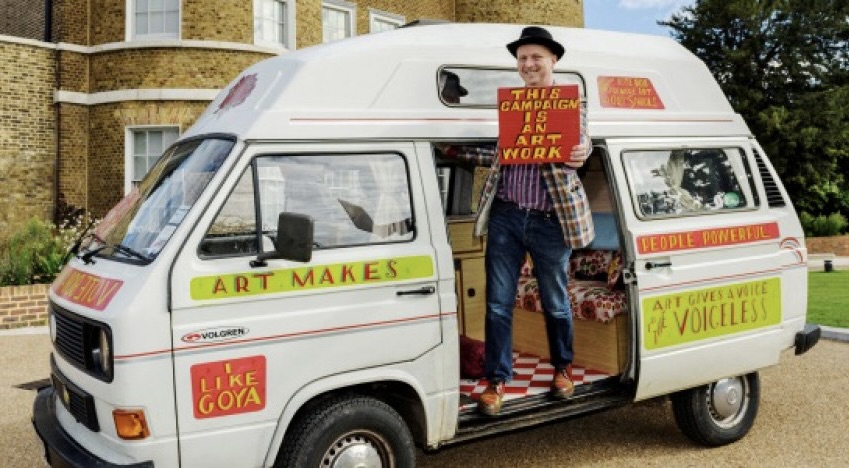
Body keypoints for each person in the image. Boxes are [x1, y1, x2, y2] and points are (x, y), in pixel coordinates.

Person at [440, 26, 594, 416]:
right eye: (523, 58)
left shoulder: (569, 102)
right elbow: (496, 154)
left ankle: (563, 369)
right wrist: (446, 148)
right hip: (507, 215)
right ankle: (497, 381)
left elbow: (584, 141)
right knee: (497, 303)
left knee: (556, 302)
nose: (528, 64)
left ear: (552, 60)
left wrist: (581, 151)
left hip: (550, 219)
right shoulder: (509, 106)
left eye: (536, 57)